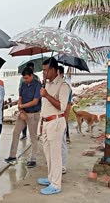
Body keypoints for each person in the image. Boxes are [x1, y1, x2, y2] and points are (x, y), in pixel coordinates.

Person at [37, 58, 70, 195]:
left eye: (45, 70)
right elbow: (45, 106)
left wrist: (47, 95)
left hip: (56, 123)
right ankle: (51, 177)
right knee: (48, 153)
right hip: (46, 123)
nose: (43, 72)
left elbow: (62, 107)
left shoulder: (63, 86)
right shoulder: (47, 84)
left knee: (55, 155)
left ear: (53, 70)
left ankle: (56, 184)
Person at [4, 67, 41, 168]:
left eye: (27, 78)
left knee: (33, 136)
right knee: (16, 132)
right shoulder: (23, 85)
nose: (25, 80)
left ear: (31, 76)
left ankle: (33, 158)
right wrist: (21, 110)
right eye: (24, 78)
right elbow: (20, 98)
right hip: (23, 112)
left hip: (33, 113)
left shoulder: (37, 85)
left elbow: (35, 101)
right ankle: (12, 156)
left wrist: (22, 106)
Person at [19, 62, 40, 140]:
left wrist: (21, 106)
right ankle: (24, 134)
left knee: (33, 132)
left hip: (33, 108)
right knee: (23, 123)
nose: (26, 79)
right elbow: (20, 91)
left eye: (32, 69)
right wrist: (21, 107)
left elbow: (36, 99)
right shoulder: (23, 80)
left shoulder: (37, 79)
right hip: (25, 106)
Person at [58, 66, 73, 174]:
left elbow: (68, 105)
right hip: (55, 119)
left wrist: (65, 120)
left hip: (61, 118)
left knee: (62, 143)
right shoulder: (56, 85)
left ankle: (62, 165)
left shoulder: (66, 86)